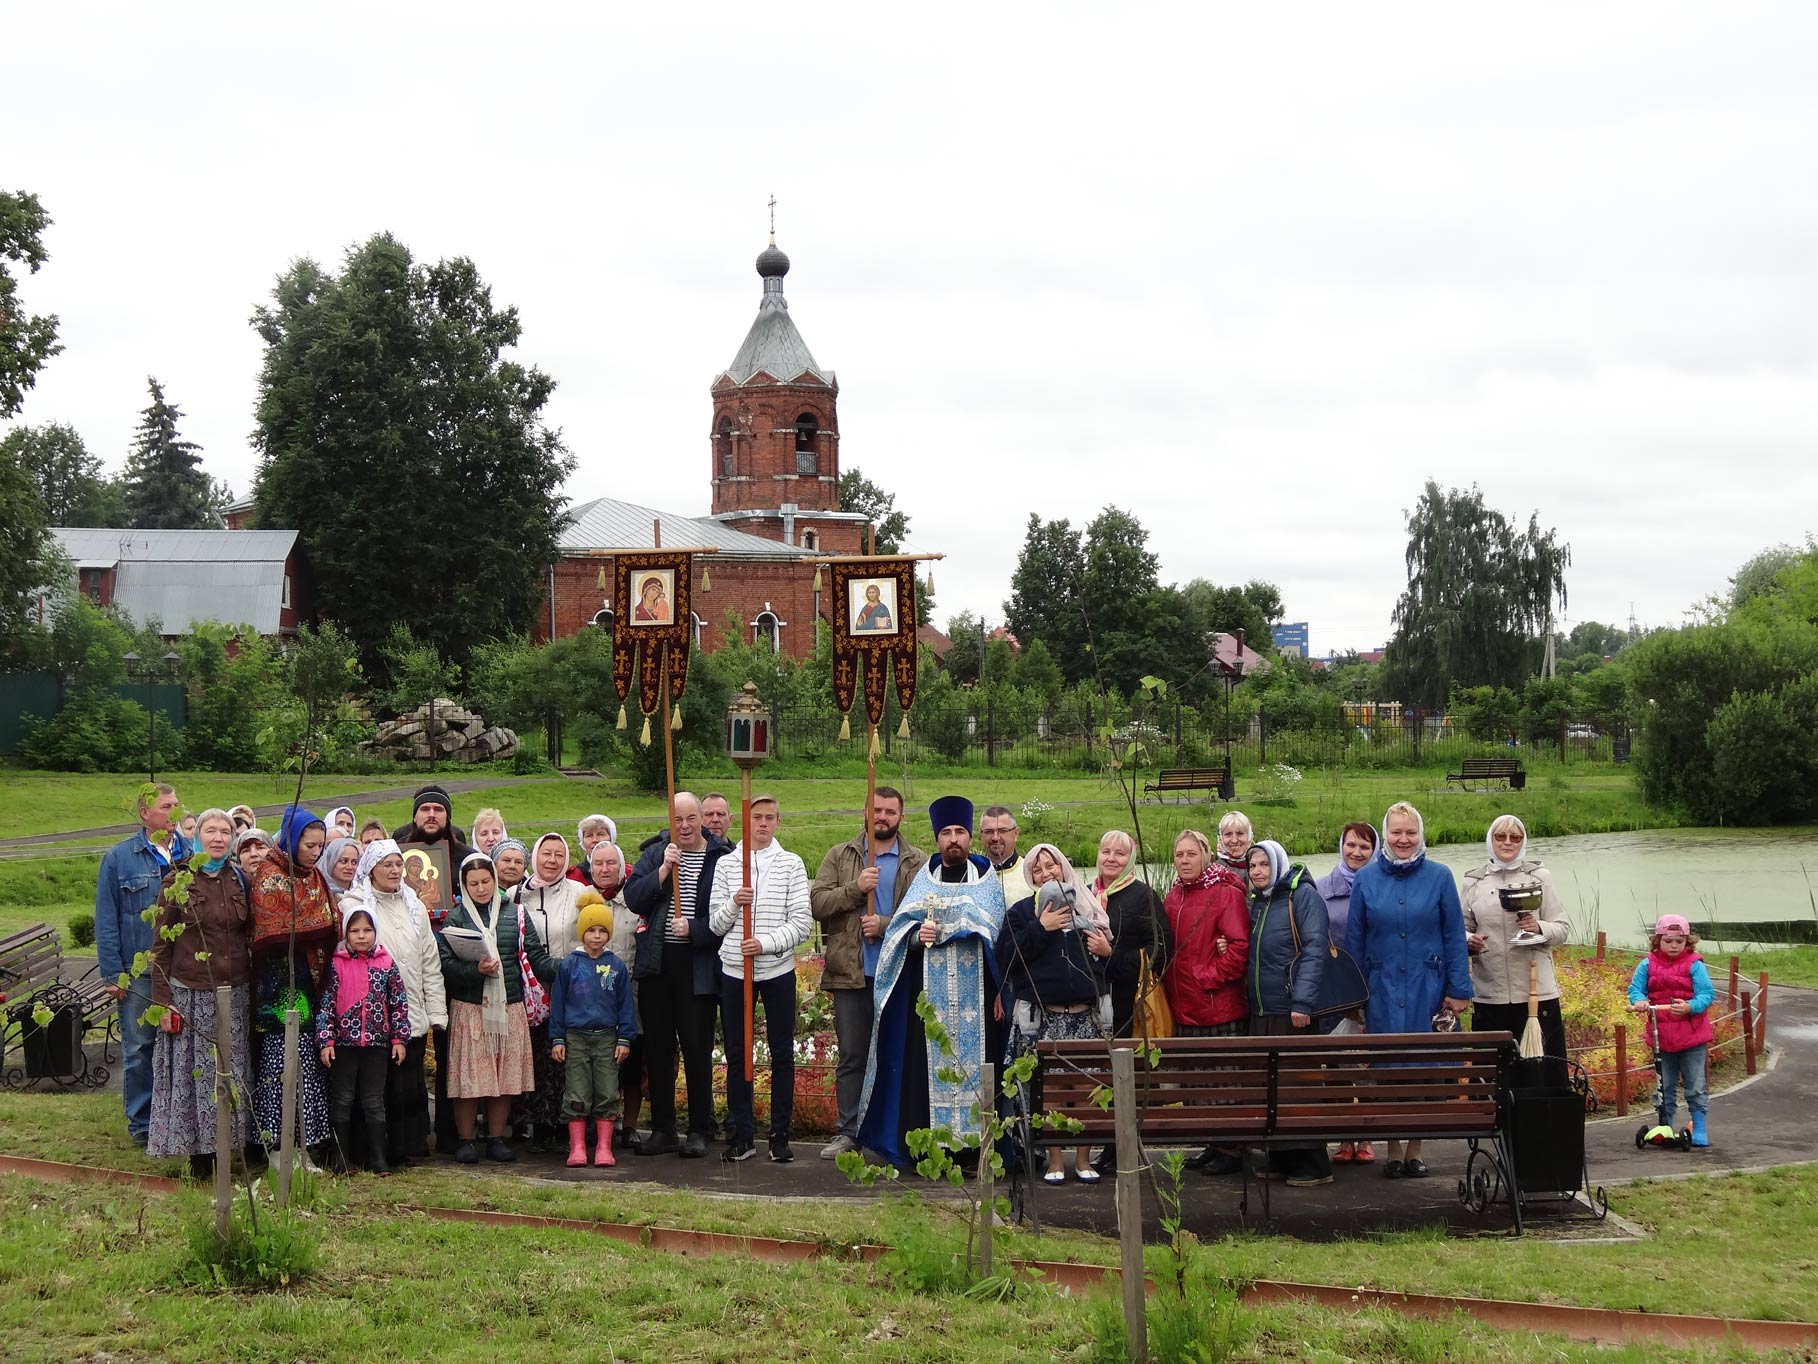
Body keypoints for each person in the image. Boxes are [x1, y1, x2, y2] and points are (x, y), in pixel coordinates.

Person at [858, 796, 1007, 1169]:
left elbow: (994, 930)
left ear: (970, 837)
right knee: (926, 1075)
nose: (953, 840)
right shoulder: (923, 878)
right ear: (937, 838)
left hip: (978, 1000)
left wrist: (955, 924)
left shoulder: (987, 878)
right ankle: (931, 1151)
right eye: (946, 833)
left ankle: (975, 1153)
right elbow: (898, 932)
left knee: (980, 1072)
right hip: (931, 1003)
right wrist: (916, 934)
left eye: (959, 832)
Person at [1346, 801, 1473, 1179]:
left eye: (1410, 832)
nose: (1404, 839)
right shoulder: (1367, 880)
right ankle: (1393, 1149)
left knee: (1424, 1070)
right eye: (1397, 832)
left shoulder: (1439, 876)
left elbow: (1454, 935)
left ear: (1420, 835)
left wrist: (1459, 988)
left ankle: (1416, 1149)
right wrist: (1355, 995)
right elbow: (1355, 940)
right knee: (1387, 1070)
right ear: (1386, 835)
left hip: (1427, 989)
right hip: (1381, 989)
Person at [811, 786, 928, 1159]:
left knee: (898, 1053)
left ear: (901, 818)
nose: (882, 817)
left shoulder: (918, 861)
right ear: (865, 811)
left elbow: (926, 914)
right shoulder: (841, 855)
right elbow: (817, 903)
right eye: (876, 810)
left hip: (898, 974)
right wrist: (855, 889)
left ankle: (894, 1134)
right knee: (852, 1056)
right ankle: (849, 1132)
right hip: (851, 973)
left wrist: (886, 924)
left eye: (890, 812)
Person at [623, 792, 734, 1157]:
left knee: (696, 1046)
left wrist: (697, 930)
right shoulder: (657, 852)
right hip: (657, 962)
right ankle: (663, 1129)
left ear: (702, 818)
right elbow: (634, 897)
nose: (684, 827)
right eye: (677, 820)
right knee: (658, 1049)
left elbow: (728, 912)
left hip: (698, 963)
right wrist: (662, 872)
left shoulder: (720, 857)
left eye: (690, 818)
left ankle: (701, 1128)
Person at [146, 807, 252, 1179]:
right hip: (191, 993)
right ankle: (199, 1158)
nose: (219, 837)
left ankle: (230, 1146)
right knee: (198, 1076)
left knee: (232, 1071)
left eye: (225, 831)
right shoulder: (178, 880)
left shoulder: (239, 878)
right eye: (211, 831)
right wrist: (162, 1001)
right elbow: (160, 947)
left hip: (235, 991)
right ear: (197, 836)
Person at [708, 795, 813, 1163]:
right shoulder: (727, 865)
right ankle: (741, 1134)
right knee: (738, 1052)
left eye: (770, 818)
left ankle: (780, 1135)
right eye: (757, 817)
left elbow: (802, 923)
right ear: (745, 822)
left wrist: (765, 943)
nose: (763, 824)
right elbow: (715, 924)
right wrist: (736, 902)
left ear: (779, 822)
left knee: (782, 1051)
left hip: (777, 971)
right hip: (735, 971)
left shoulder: (791, 864)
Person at [1000, 842, 1112, 1184]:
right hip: (1043, 1020)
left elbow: (1112, 968)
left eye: (1052, 866)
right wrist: (1041, 927)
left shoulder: (1089, 909)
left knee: (1086, 1090)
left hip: (1086, 1018)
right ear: (1030, 876)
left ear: (1064, 868)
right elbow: (1007, 960)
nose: (1047, 872)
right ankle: (1054, 1160)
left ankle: (1082, 1158)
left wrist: (1108, 951)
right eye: (1038, 868)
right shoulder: (1021, 913)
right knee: (1047, 1091)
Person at [439, 854, 552, 1164]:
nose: (480, 889)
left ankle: (496, 1137)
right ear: (463, 885)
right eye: (473, 884)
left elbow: (535, 955)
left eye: (486, 881)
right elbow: (446, 966)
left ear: (495, 880)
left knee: (503, 1077)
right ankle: (465, 1140)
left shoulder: (514, 913)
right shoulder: (456, 918)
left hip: (508, 1003)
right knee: (471, 1078)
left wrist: (564, 967)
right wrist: (476, 970)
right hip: (470, 1007)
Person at [340, 839, 446, 1168]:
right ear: (370, 867)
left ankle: (404, 1147)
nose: (394, 870)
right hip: (369, 1017)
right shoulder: (355, 904)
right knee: (374, 1088)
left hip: (409, 1007)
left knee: (406, 1083)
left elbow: (429, 958)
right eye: (386, 864)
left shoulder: (413, 903)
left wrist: (436, 1010)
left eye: (398, 864)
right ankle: (371, 1152)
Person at [247, 805, 340, 1165]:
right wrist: (317, 928)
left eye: (319, 846)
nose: (315, 853)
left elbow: (328, 922)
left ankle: (303, 1145)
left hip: (311, 983)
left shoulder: (313, 876)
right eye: (309, 845)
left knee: (308, 1066)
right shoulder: (270, 874)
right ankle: (275, 1147)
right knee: (280, 1064)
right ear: (291, 839)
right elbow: (274, 931)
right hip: (279, 989)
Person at [95, 782, 185, 1147]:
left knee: (180, 1050)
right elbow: (106, 918)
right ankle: (142, 1123)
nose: (174, 813)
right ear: (145, 814)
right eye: (166, 806)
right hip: (140, 974)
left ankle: (175, 1118)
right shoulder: (119, 859)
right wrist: (113, 973)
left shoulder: (189, 854)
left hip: (185, 971)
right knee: (138, 1049)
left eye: (178, 805)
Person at [1160, 828, 1250, 1176]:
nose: (1184, 860)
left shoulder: (1225, 893)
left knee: (1223, 1080)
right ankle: (1213, 1143)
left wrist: (1206, 977)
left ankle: (1232, 1148)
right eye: (1179, 855)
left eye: (1191, 854)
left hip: (1217, 1004)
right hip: (1183, 1005)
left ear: (1207, 855)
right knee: (1197, 1082)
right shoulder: (1173, 896)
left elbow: (1239, 946)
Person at [1244, 841, 1333, 1187]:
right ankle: (1281, 1155)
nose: (1257, 871)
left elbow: (1315, 948)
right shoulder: (1261, 902)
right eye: (1252, 866)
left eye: (1264, 864)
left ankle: (1312, 1162)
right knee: (1273, 1087)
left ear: (1278, 864)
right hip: (1263, 1009)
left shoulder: (1302, 896)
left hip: (1291, 1009)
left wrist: (1303, 1002)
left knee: (1299, 1086)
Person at [1087, 828, 1172, 1175]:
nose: (1111, 859)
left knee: (1124, 1077)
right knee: (1098, 1077)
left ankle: (1121, 1148)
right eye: (1106, 851)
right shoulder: (1087, 894)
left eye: (1119, 854)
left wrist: (1113, 955)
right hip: (1091, 1002)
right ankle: (1099, 1143)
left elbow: (1161, 951)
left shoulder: (1143, 896)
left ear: (1131, 860)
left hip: (1126, 1003)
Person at [391, 783, 470, 1155]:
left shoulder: (464, 858)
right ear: (415, 815)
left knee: (450, 1051)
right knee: (411, 1050)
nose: (432, 816)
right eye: (425, 810)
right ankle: (415, 1133)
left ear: (448, 817)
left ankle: (452, 1132)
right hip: (411, 967)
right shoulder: (397, 857)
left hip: (454, 965)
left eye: (438, 810)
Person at [1462, 814, 1569, 1061]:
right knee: (1495, 1073)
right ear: (1490, 840)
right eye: (1500, 836)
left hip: (1536, 993)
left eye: (1515, 837)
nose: (1507, 842)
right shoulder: (1473, 881)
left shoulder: (1540, 876)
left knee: (1539, 1073)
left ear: (1523, 841)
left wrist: (1539, 927)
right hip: (1490, 994)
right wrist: (1470, 940)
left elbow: (1562, 928)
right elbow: (1461, 928)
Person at [316, 904, 409, 1175]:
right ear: (345, 933)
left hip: (377, 1045)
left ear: (375, 932)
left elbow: (399, 1004)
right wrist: (326, 1041)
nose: (361, 936)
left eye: (367, 930)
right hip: (344, 1046)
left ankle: (378, 1159)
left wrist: (399, 1039)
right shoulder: (336, 964)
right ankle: (341, 1159)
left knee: (373, 1101)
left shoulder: (386, 963)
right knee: (343, 1100)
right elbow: (327, 1005)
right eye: (354, 930)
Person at [550, 897, 637, 1167]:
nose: (596, 937)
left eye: (602, 931)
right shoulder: (569, 965)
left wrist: (625, 1037)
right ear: (582, 933)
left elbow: (625, 1005)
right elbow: (558, 1004)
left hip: (607, 1038)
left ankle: (603, 1147)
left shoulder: (617, 966)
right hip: (575, 1037)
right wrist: (557, 1037)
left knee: (608, 1090)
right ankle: (577, 1147)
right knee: (577, 1091)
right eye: (591, 930)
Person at [1315, 820, 1379, 1163]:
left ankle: (1366, 1136)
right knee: (1336, 1066)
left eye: (1365, 847)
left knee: (1366, 1066)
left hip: (1373, 989)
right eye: (1351, 844)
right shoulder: (1322, 888)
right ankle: (1342, 1137)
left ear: (1374, 851)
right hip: (1335, 993)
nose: (1356, 852)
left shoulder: (1380, 886)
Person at [517, 833, 585, 1149]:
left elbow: (593, 933)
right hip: (530, 987)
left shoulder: (580, 893)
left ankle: (562, 1125)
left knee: (563, 1055)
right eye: (546, 853)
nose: (552, 860)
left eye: (559, 855)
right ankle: (535, 1126)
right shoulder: (519, 894)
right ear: (536, 856)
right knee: (535, 1057)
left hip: (567, 985)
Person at [1628, 914, 1715, 1148]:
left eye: (1679, 941)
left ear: (1688, 942)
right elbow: (1636, 989)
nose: (1674, 946)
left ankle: (1699, 1126)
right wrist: (1639, 1002)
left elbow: (1707, 994)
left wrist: (1690, 1007)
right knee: (1662, 1085)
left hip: (1692, 1036)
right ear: (1658, 941)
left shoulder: (1695, 965)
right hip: (1662, 1036)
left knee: (1695, 1084)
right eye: (1668, 941)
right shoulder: (1647, 964)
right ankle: (1664, 1123)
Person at [584, 843, 643, 1148]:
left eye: (611, 863)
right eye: (598, 864)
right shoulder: (581, 902)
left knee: (631, 1063)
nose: (604, 869)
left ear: (622, 866)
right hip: (591, 998)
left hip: (630, 994)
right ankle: (598, 1123)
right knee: (595, 1063)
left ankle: (630, 1125)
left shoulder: (634, 901)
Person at [980, 805, 1029, 912]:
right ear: (981, 835)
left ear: (1016, 834)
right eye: (988, 831)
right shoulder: (973, 874)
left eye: (1002, 831)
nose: (995, 838)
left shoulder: (1031, 873)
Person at [567, 814, 618, 883]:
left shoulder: (628, 873)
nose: (595, 840)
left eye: (601, 834)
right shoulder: (573, 878)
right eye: (589, 835)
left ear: (611, 838)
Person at [320, 836, 361, 904]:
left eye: (354, 862)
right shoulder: (320, 893)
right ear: (330, 862)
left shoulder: (362, 893)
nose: (350, 867)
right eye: (344, 861)